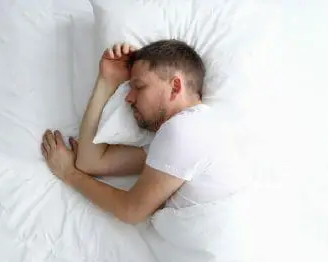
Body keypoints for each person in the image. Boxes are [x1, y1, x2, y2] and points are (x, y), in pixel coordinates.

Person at [40, 40, 248, 224]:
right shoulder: (191, 132)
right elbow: (91, 162)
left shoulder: (185, 130)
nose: (129, 98)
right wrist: (107, 81)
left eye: (139, 87)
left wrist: (69, 174)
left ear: (175, 87)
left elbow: (131, 211)